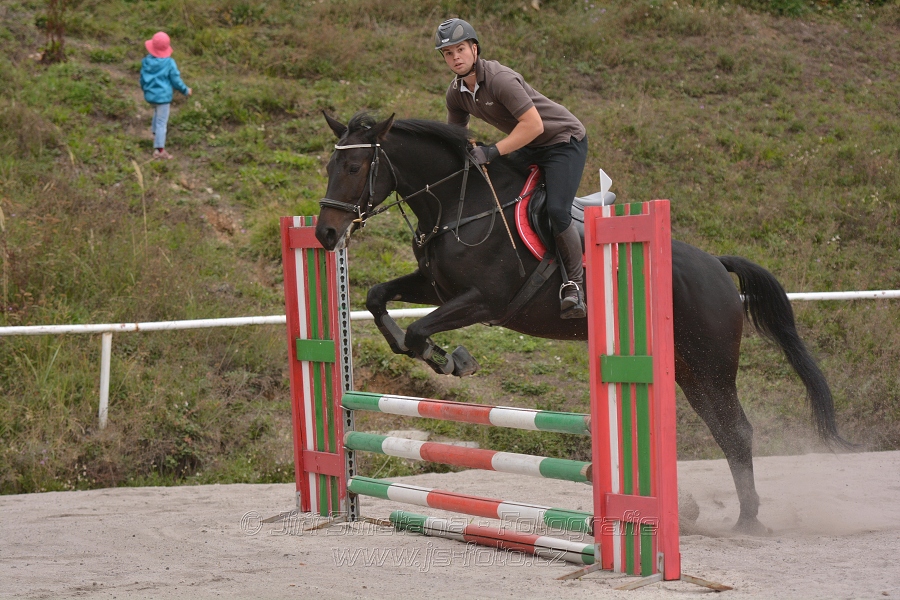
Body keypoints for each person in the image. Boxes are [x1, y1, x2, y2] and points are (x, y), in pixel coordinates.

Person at [435, 18, 588, 319]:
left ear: (474, 49)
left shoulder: (500, 79)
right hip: (528, 145)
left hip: (562, 142)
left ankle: (574, 285)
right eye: (448, 53)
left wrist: (491, 151)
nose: (455, 57)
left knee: (557, 210)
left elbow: (534, 125)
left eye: (460, 49)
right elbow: (457, 138)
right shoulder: (456, 93)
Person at [140, 31, 192, 160]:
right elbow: (176, 80)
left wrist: (145, 89)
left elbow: (142, 78)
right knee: (162, 122)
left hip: (150, 95)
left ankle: (154, 133)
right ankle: (159, 150)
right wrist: (185, 90)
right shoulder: (169, 63)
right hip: (163, 97)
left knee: (157, 113)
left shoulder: (147, 61)